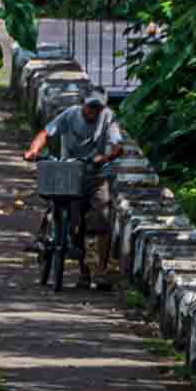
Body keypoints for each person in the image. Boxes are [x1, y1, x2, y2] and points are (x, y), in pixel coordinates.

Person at [26, 90, 124, 287]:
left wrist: (105, 158)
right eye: (90, 107)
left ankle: (102, 272)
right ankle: (84, 272)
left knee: (102, 221)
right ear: (83, 104)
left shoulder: (108, 118)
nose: (93, 113)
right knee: (75, 223)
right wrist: (34, 150)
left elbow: (117, 145)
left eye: (97, 108)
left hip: (97, 175)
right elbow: (46, 132)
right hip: (70, 172)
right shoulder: (70, 114)